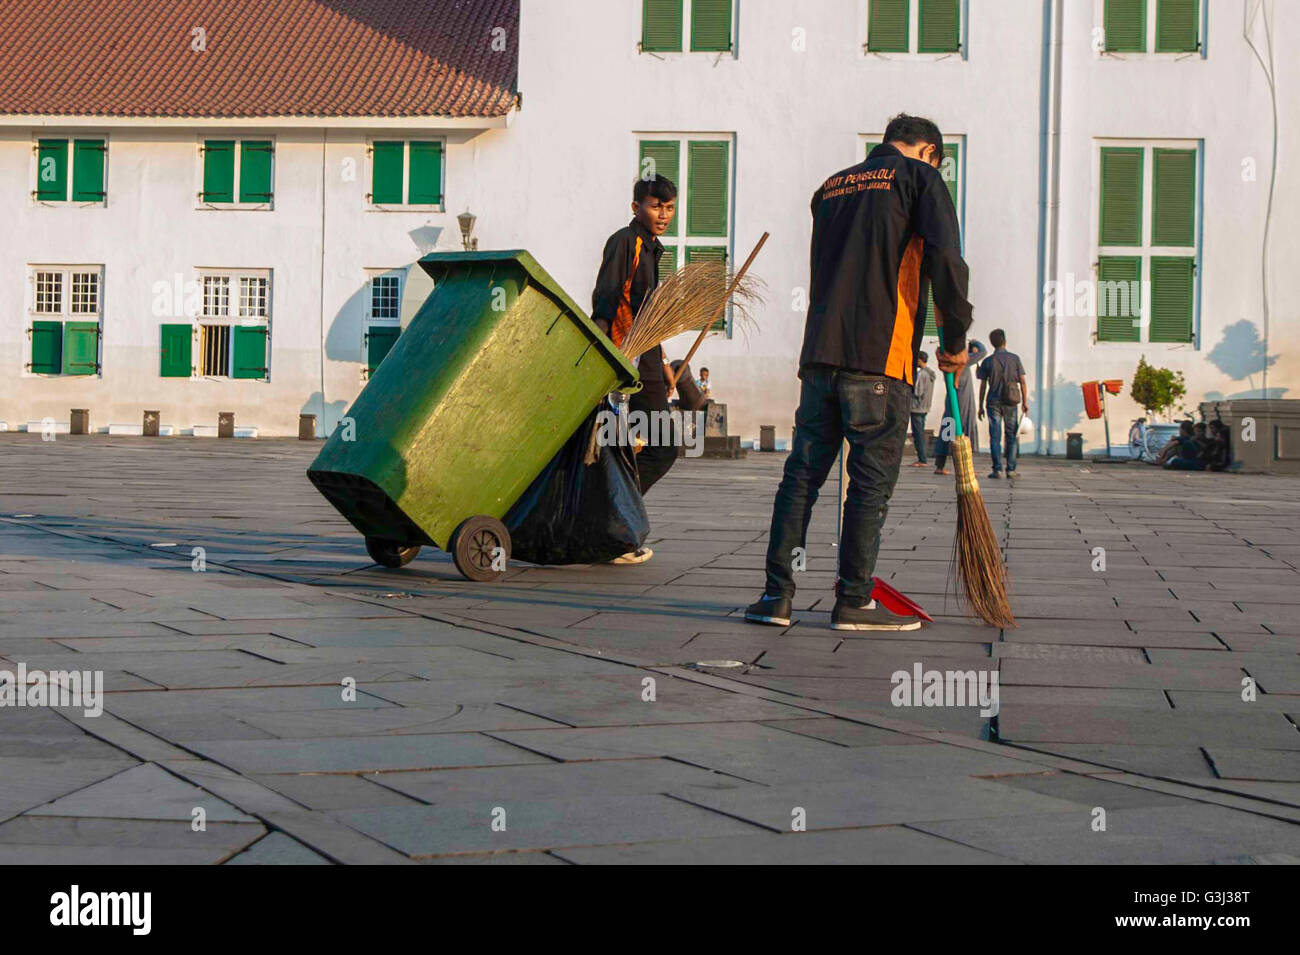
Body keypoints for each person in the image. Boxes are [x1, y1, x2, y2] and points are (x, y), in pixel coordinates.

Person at [745, 113, 972, 631]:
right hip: (879, 359)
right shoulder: (920, 179)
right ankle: (853, 601)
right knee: (870, 485)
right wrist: (955, 342)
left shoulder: (831, 188)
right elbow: (948, 264)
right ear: (930, 152)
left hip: (820, 358)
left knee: (801, 479)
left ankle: (776, 597)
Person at [591, 173, 678, 565]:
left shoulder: (653, 250)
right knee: (655, 446)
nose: (663, 214)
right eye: (656, 205)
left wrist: (662, 361)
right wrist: (606, 362)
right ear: (636, 207)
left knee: (655, 447)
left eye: (669, 207)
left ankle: (606, 519)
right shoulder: (624, 242)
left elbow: (648, 315)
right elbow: (606, 304)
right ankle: (611, 525)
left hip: (647, 360)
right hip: (625, 363)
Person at [976, 328, 1029, 479]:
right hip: (1011, 402)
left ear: (992, 343)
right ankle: (1011, 470)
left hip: (993, 401)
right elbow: (1023, 382)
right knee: (1011, 435)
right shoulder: (1015, 359)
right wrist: (1025, 402)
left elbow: (983, 385)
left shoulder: (987, 361)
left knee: (995, 436)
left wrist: (980, 406)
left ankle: (997, 469)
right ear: (1005, 341)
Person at [932, 340, 984, 475]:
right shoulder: (964, 360)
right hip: (963, 399)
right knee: (965, 429)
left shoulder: (945, 360)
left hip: (951, 398)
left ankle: (940, 465)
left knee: (947, 429)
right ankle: (966, 467)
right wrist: (974, 342)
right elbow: (983, 350)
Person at [909, 351, 936, 467]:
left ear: (920, 360)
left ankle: (922, 459)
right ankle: (922, 457)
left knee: (918, 434)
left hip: (917, 407)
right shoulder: (931, 374)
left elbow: (917, 392)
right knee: (921, 432)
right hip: (925, 407)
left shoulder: (921, 374)